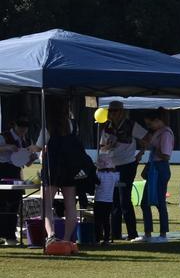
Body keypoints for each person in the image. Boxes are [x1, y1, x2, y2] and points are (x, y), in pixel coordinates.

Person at [42, 97, 94, 245]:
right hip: (70, 168)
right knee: (70, 206)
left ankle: (51, 235)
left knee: (47, 205)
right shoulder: (73, 125)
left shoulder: (48, 126)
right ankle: (66, 238)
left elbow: (39, 146)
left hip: (52, 168)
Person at [105, 101, 149, 242]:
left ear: (121, 112)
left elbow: (147, 138)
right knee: (114, 201)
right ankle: (115, 233)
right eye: (110, 111)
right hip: (111, 167)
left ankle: (132, 233)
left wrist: (140, 154)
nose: (112, 113)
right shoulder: (108, 127)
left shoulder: (131, 125)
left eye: (115, 111)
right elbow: (103, 146)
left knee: (125, 200)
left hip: (127, 166)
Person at [138, 110, 175, 242]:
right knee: (145, 203)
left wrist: (152, 147)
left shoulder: (165, 134)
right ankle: (147, 234)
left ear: (158, 120)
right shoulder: (158, 132)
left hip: (160, 168)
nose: (149, 126)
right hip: (154, 168)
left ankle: (163, 234)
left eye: (150, 123)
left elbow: (166, 155)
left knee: (160, 202)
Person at [0, 117, 35, 244]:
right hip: (2, 170)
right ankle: (3, 234)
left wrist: (31, 158)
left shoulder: (26, 140)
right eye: (21, 128)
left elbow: (27, 164)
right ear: (15, 125)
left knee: (14, 205)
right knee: (2, 204)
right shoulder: (4, 136)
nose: (23, 131)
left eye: (25, 129)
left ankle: (10, 236)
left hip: (16, 172)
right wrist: (8, 147)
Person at [93, 134, 119, 245]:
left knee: (97, 221)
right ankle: (107, 239)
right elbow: (118, 175)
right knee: (106, 221)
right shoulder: (114, 176)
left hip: (99, 200)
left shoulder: (99, 175)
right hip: (109, 201)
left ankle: (97, 238)